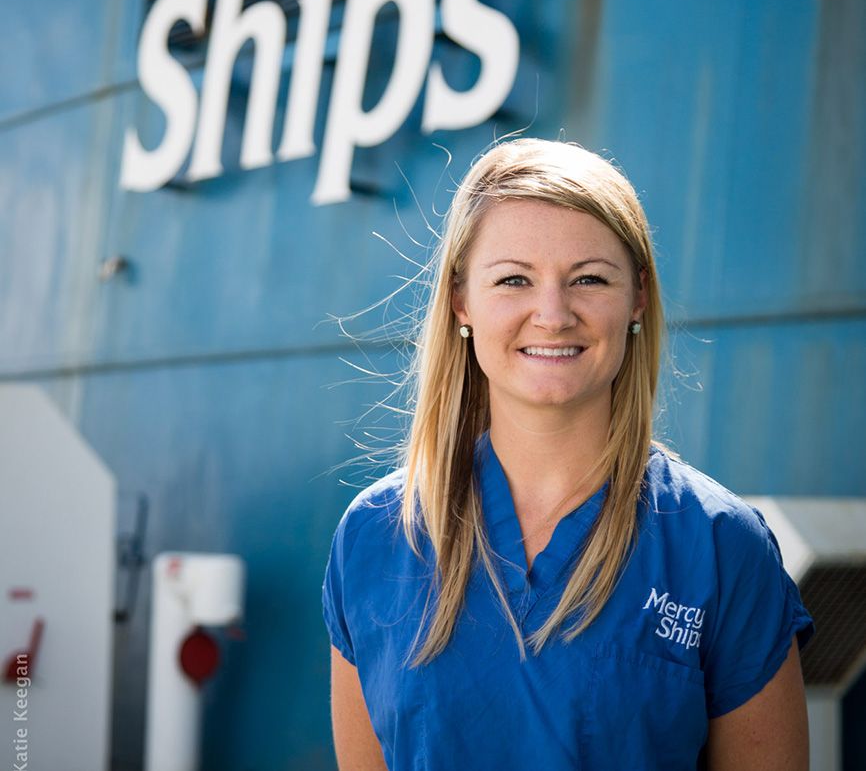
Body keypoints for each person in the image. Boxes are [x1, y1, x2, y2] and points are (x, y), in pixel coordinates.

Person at [322, 138, 815, 771]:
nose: (552, 315)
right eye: (513, 280)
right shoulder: (374, 536)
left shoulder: (719, 546)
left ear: (637, 297)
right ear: (461, 302)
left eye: (588, 279)